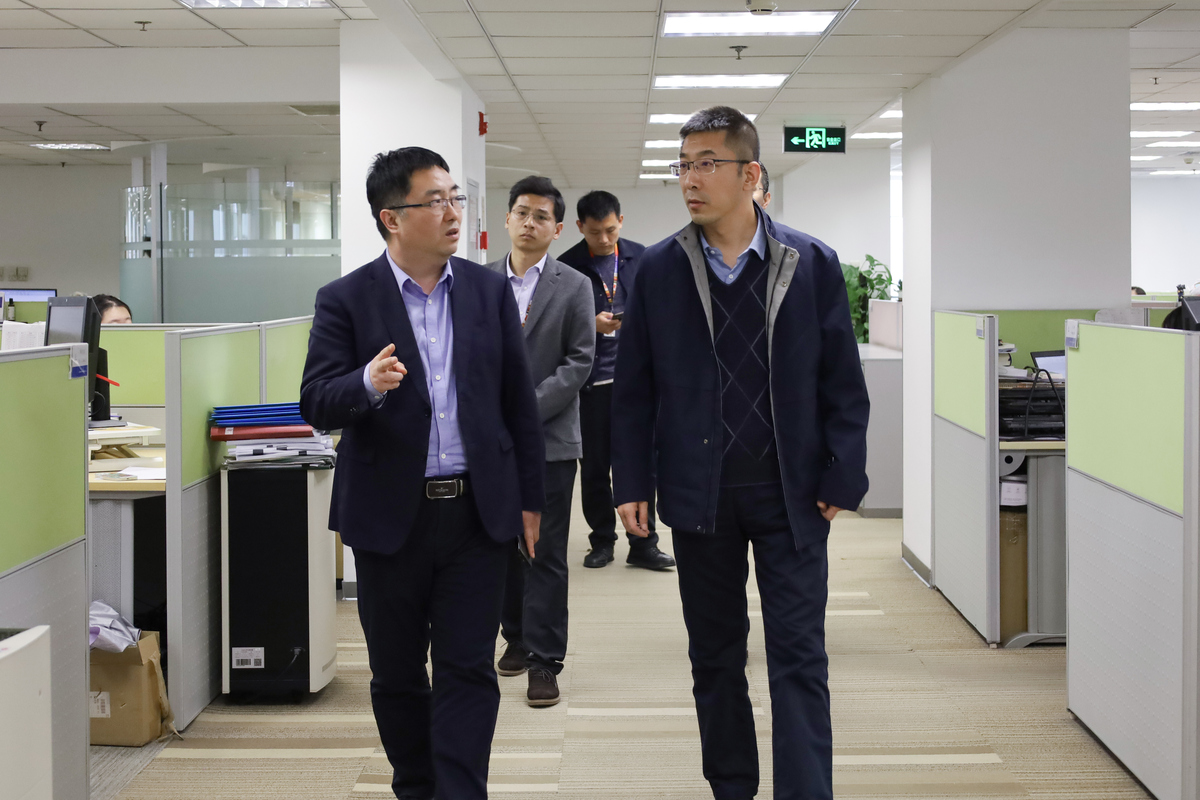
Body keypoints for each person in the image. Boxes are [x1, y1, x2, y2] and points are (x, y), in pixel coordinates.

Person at [611, 106, 870, 800]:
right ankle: (731, 785)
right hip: (701, 492)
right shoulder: (659, 270)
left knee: (799, 655)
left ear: (750, 174)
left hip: (792, 491)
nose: (690, 180)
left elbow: (842, 382)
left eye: (706, 164)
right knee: (715, 655)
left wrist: (844, 473)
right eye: (683, 165)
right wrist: (631, 480)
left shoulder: (809, 263)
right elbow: (633, 390)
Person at [299, 147, 545, 800]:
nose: (453, 212)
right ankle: (416, 785)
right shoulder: (346, 299)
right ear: (392, 218)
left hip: (476, 514)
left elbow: (518, 403)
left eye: (455, 197)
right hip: (389, 518)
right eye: (435, 201)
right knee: (398, 675)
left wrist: (531, 500)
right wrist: (364, 382)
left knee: (469, 669)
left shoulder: (488, 292)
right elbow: (316, 400)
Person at [486, 176, 595, 707]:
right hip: (489, 442)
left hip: (550, 439)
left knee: (544, 550)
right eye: (522, 213)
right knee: (501, 544)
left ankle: (545, 661)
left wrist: (522, 411)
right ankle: (516, 635)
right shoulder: (479, 282)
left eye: (541, 216)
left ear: (557, 229)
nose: (530, 223)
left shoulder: (574, 285)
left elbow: (579, 361)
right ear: (507, 219)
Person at [558, 190, 676, 571]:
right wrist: (589, 325)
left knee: (642, 464)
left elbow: (662, 310)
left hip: (636, 383)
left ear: (621, 221)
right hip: (591, 385)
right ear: (580, 227)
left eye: (611, 230)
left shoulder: (642, 258)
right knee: (594, 469)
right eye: (595, 233)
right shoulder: (567, 267)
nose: (605, 239)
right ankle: (602, 541)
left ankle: (643, 543)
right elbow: (557, 329)